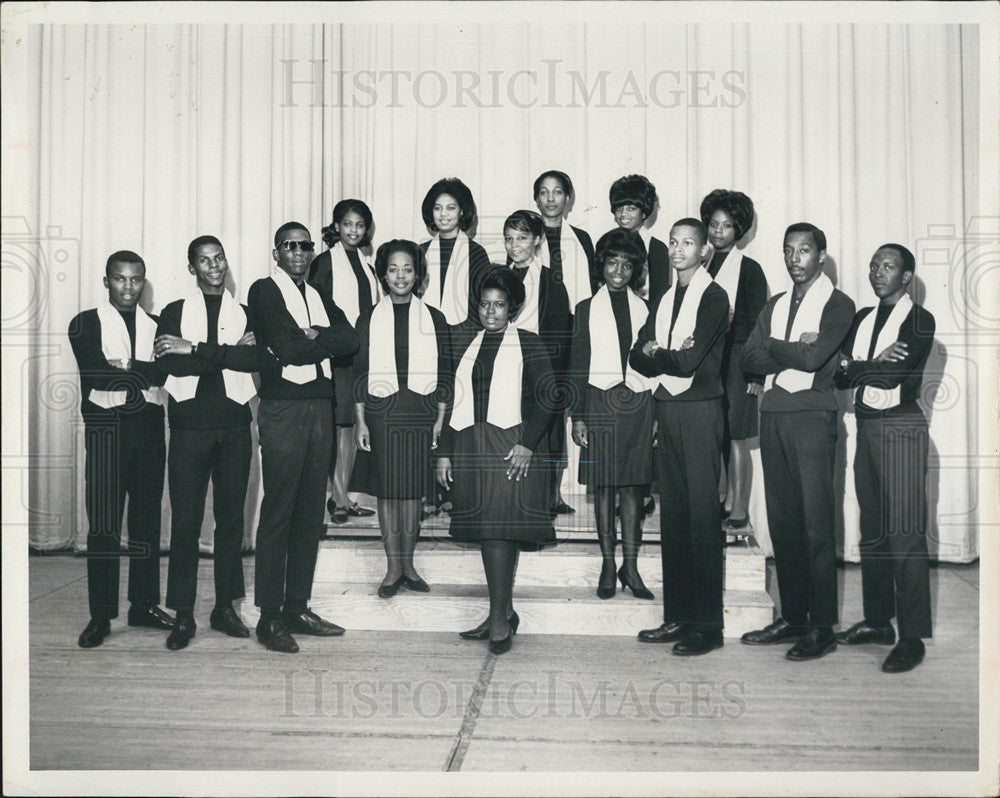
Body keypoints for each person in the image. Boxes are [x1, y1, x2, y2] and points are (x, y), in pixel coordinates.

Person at [740, 222, 856, 661]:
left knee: (815, 526)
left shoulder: (839, 304)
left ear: (820, 256)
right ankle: (793, 617)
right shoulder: (774, 303)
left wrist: (775, 347)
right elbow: (749, 357)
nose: (794, 258)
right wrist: (786, 345)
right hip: (774, 415)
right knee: (783, 523)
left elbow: (814, 357)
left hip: (812, 418)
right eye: (788, 250)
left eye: (804, 250)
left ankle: (822, 626)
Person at [246, 222, 359, 653]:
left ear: (312, 252)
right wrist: (317, 339)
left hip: (319, 407)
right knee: (279, 510)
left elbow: (350, 340)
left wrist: (316, 337)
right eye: (289, 246)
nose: (298, 252)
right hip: (283, 408)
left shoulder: (317, 295)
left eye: (305, 246)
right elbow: (288, 349)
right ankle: (269, 617)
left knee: (311, 511)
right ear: (277, 253)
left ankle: (297, 607)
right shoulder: (264, 291)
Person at [436, 268, 557, 655]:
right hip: (472, 443)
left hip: (510, 444)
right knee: (488, 529)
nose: (491, 312)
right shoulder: (468, 344)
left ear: (513, 308)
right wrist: (444, 454)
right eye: (485, 304)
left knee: (500, 529)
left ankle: (500, 618)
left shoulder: (530, 343)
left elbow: (549, 398)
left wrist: (528, 445)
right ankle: (499, 612)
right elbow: (455, 401)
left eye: (499, 305)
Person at [630, 219, 730, 656]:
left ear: (705, 250)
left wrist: (661, 354)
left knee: (702, 519)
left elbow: (689, 363)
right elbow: (636, 355)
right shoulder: (666, 298)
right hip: (668, 411)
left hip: (701, 412)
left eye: (688, 243)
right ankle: (678, 616)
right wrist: (660, 355)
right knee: (674, 518)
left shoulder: (714, 296)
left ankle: (707, 627)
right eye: (672, 242)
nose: (677, 249)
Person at [154, 235, 259, 650]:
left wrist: (194, 347)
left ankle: (224, 608)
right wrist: (227, 352)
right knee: (185, 522)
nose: (213, 266)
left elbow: (253, 361)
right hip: (188, 426)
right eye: (204, 260)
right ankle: (183, 613)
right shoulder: (174, 311)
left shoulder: (245, 312)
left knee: (231, 521)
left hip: (235, 424)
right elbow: (169, 363)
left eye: (219, 259)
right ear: (192, 267)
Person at [834, 244, 935, 673]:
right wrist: (868, 362)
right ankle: (878, 621)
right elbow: (837, 373)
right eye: (874, 265)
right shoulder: (861, 318)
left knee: (905, 533)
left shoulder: (919, 320)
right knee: (872, 528)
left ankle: (912, 636)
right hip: (867, 428)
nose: (878, 272)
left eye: (888, 266)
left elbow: (893, 375)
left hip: (902, 427)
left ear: (906, 276)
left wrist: (858, 365)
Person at [69, 251, 173, 648]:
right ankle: (100, 615)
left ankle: (144, 605)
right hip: (106, 430)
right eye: (120, 279)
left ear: (143, 282)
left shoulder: (158, 323)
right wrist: (139, 370)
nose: (128, 287)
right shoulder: (84, 322)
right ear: (106, 280)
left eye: (135, 280)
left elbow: (163, 372)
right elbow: (94, 372)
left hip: (148, 427)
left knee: (146, 520)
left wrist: (124, 368)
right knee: (104, 525)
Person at [352, 240, 450, 598]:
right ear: (383, 274)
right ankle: (392, 568)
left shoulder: (435, 318)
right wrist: (360, 420)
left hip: (420, 411)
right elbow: (359, 372)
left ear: (418, 274)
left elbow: (445, 373)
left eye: (408, 269)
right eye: (393, 269)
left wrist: (441, 418)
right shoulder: (368, 318)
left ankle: (409, 565)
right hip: (381, 411)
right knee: (387, 493)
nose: (401, 276)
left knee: (413, 494)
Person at [569, 228, 654, 600]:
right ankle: (607, 563)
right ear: (600, 265)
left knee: (634, 487)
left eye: (627, 263)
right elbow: (577, 364)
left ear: (636, 268)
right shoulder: (585, 308)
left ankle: (630, 567)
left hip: (637, 403)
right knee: (604, 487)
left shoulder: (647, 309)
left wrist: (656, 416)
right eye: (612, 262)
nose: (618, 270)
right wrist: (578, 416)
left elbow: (655, 364)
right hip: (599, 403)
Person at [699, 189, 769, 534]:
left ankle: (739, 507)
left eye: (726, 226)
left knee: (738, 435)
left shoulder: (750, 269)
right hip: (707, 361)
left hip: (740, 361)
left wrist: (756, 372)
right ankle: (723, 499)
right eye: (713, 224)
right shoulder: (701, 263)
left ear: (738, 229)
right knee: (715, 433)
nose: (718, 232)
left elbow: (758, 324)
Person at [308, 199, 380, 525]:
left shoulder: (368, 265)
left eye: (359, 225)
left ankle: (344, 496)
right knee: (337, 425)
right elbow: (315, 308)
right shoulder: (324, 262)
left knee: (352, 425)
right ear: (336, 226)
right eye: (347, 224)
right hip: (336, 355)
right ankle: (337, 499)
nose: (353, 230)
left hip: (362, 355)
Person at [503, 209, 575, 516]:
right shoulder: (498, 277)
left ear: (537, 240)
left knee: (548, 429)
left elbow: (562, 333)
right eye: (509, 239)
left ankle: (550, 495)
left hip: (542, 367)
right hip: (508, 367)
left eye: (522, 238)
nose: (515, 245)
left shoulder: (550, 281)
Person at [534, 170, 596, 515]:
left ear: (568, 198)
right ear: (537, 199)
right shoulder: (527, 235)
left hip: (570, 335)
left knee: (559, 414)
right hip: (535, 338)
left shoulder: (582, 239)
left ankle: (554, 492)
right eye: (544, 192)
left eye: (558, 192)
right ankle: (533, 489)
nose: (551, 198)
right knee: (535, 413)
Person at [419, 177, 492, 325]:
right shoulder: (420, 251)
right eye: (437, 208)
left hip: (465, 332)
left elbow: (483, 299)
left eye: (450, 208)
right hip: (426, 330)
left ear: (462, 212)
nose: (443, 214)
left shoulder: (476, 252)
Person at [609, 174, 671, 303]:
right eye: (619, 208)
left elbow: (659, 298)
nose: (623, 214)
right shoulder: (608, 243)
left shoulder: (656, 248)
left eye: (631, 208)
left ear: (644, 212)